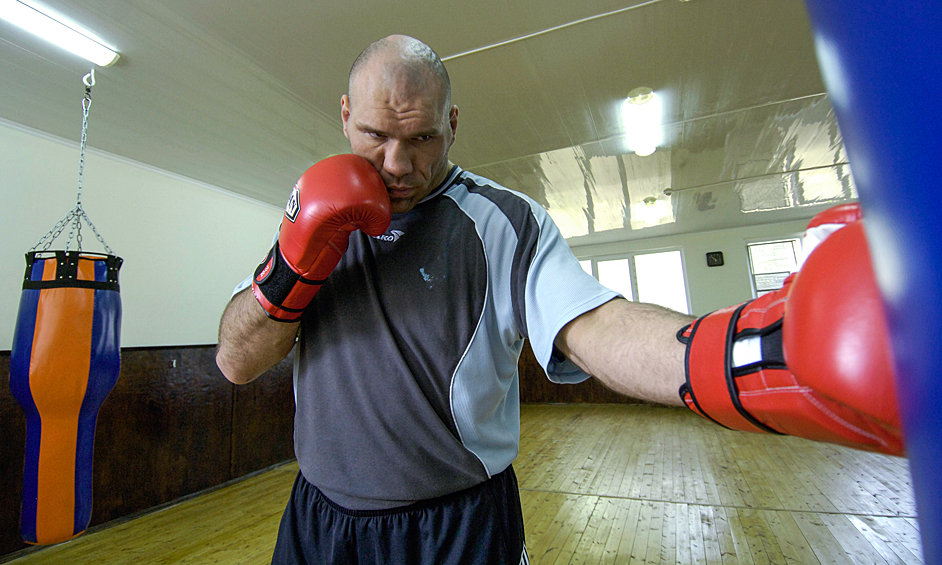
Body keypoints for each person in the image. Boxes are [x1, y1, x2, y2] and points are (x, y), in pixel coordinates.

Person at [216, 35, 901, 564]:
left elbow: (597, 326)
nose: (397, 164)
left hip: (455, 524)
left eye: (421, 137)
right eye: (376, 136)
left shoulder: (504, 222)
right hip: (318, 518)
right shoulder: (311, 207)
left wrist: (756, 351)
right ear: (343, 117)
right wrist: (291, 266)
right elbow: (237, 360)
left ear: (453, 123)